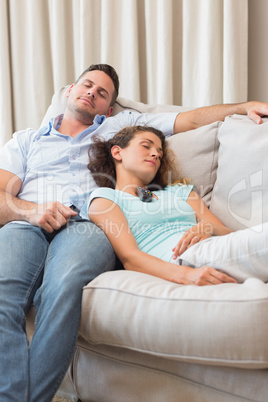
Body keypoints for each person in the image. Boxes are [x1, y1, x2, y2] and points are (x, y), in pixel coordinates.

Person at [0, 63, 268, 401]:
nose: (91, 93)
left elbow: (192, 118)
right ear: (70, 90)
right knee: (3, 296)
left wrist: (242, 107)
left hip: (84, 225)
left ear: (109, 108)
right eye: (86, 85)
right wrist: (33, 211)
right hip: (27, 222)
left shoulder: (118, 128)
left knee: (63, 286)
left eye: (102, 93)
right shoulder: (25, 141)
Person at [87, 125, 268, 285]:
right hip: (183, 259)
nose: (156, 154)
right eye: (146, 145)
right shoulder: (106, 198)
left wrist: (208, 227)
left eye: (159, 152)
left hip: (216, 247)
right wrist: (188, 276)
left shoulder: (179, 191)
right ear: (117, 152)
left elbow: (233, 236)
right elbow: (130, 258)